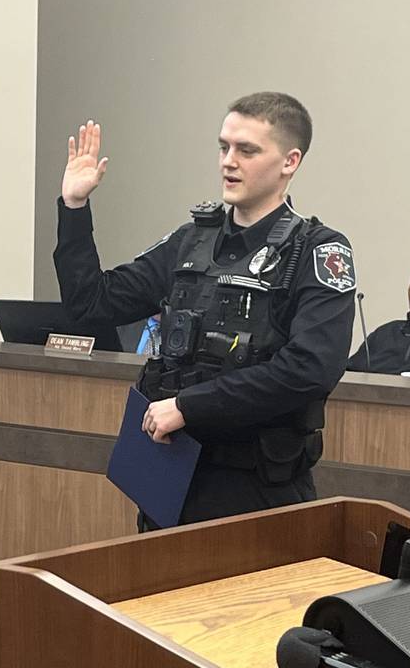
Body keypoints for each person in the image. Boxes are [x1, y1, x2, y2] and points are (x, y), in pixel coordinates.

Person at [55, 92, 356, 526]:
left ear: (290, 161)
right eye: (223, 147)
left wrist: (188, 406)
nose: (228, 162)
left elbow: (310, 368)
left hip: (254, 488)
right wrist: (74, 208)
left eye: (247, 150)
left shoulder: (316, 250)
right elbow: (91, 304)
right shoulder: (191, 241)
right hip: (170, 474)